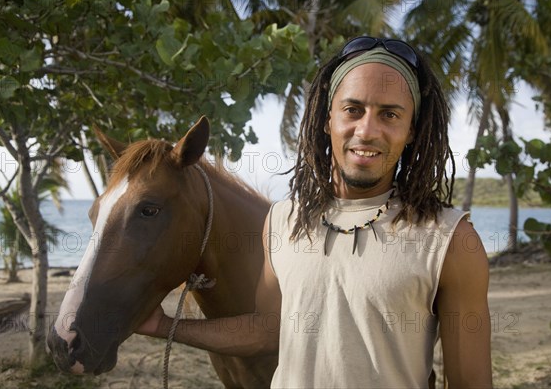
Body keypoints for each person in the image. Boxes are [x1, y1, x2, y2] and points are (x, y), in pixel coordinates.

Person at [137, 36, 493, 388]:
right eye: (353, 110)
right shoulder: (282, 221)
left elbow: (470, 383)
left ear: (411, 130)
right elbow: (266, 330)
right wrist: (165, 326)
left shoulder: (450, 239)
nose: (367, 131)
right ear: (327, 120)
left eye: (389, 114)